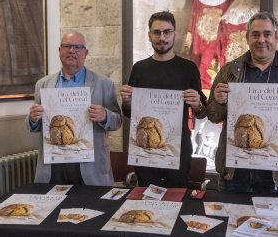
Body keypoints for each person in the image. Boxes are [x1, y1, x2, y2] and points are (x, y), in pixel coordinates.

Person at [207, 11, 278, 193]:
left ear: (276, 37)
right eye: (255, 34)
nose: (261, 40)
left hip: (273, 174)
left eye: (267, 34)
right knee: (229, 219)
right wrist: (219, 102)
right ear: (247, 37)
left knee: (271, 222)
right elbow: (212, 115)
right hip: (235, 172)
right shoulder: (229, 71)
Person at [120, 11, 207, 188]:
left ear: (175, 34)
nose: (162, 37)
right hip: (145, 149)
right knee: (146, 195)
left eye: (167, 32)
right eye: (157, 32)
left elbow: (202, 112)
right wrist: (128, 101)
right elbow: (129, 112)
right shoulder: (139, 68)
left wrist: (197, 104)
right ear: (149, 35)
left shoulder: (188, 68)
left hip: (178, 148)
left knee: (177, 197)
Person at [26, 31, 122, 186]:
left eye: (78, 47)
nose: (72, 50)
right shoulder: (43, 84)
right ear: (59, 51)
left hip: (90, 166)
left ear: (86, 53)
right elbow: (35, 126)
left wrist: (105, 116)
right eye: (67, 46)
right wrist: (32, 118)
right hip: (54, 165)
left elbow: (118, 121)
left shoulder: (104, 84)